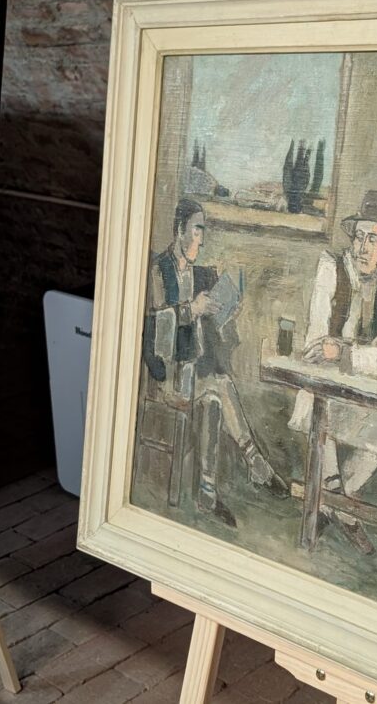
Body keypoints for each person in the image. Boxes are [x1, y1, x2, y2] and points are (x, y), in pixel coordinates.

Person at [143, 198, 288, 527]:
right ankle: (254, 464)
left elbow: (206, 334)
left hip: (193, 369)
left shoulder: (199, 275)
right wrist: (191, 310)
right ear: (179, 230)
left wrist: (225, 313)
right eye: (197, 230)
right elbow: (155, 328)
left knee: (214, 395)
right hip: (166, 373)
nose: (202, 239)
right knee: (218, 386)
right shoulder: (159, 269)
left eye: (203, 231)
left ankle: (209, 492)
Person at [289, 191, 377, 554]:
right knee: (319, 405)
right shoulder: (331, 267)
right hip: (331, 383)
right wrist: (365, 353)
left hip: (374, 393)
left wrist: (346, 352)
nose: (363, 247)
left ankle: (331, 500)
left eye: (373, 239)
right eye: (359, 237)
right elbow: (315, 344)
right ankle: (342, 508)